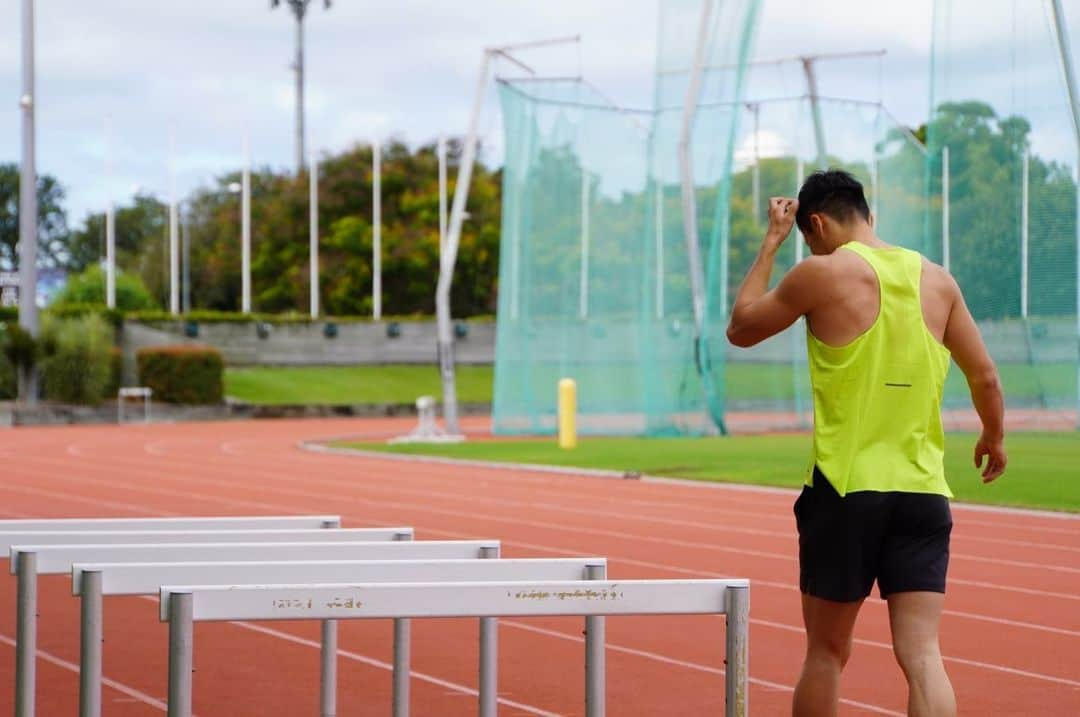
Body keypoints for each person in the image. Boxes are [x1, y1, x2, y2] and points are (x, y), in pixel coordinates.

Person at [726, 169, 1007, 717]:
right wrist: (993, 436)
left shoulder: (821, 273)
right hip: (923, 492)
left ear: (816, 224)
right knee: (924, 653)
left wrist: (771, 243)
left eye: (807, 238)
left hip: (845, 489)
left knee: (826, 652)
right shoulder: (938, 280)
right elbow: (986, 377)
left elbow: (741, 327)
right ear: (868, 215)